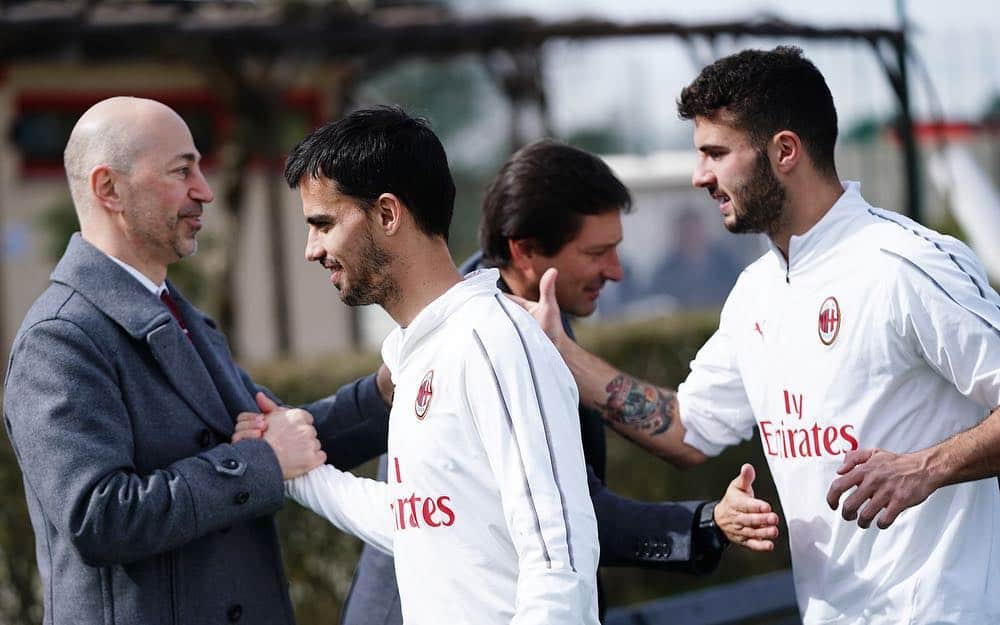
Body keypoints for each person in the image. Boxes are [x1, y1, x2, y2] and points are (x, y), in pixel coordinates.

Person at [520, 47, 1000, 624]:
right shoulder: (756, 292)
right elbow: (686, 428)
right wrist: (562, 354)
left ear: (785, 151)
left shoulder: (905, 265)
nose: (701, 176)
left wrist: (926, 468)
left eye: (716, 154)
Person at [340, 139, 781, 625]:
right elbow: (574, 514)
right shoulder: (488, 341)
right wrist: (705, 524)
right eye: (597, 253)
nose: (615, 271)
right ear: (524, 249)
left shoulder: (529, 321)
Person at [2, 96, 391, 625]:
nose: (204, 190)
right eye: (182, 170)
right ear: (108, 189)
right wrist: (260, 464)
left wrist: (388, 392)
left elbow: (286, 437)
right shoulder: (62, 338)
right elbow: (99, 516)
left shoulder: (182, 317)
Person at [257, 106, 600, 624]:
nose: (312, 250)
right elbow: (417, 520)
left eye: (324, 223)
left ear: (388, 214)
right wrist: (299, 475)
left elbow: (560, 558)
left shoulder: (493, 340)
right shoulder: (423, 351)